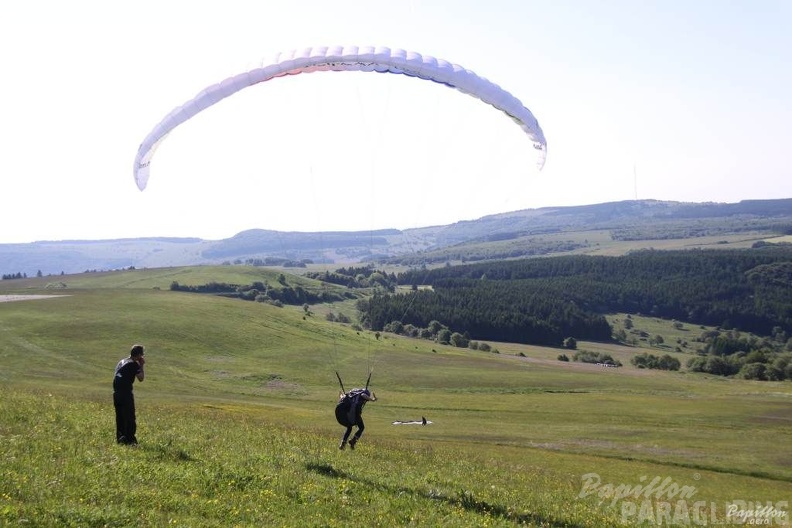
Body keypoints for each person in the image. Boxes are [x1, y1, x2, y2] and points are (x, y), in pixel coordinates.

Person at [113, 344, 146, 445]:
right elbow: (141, 378)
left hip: (116, 393)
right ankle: (131, 440)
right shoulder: (133, 364)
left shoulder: (122, 361)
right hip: (125, 393)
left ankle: (120, 439)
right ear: (139, 355)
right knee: (130, 417)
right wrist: (141, 365)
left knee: (120, 417)